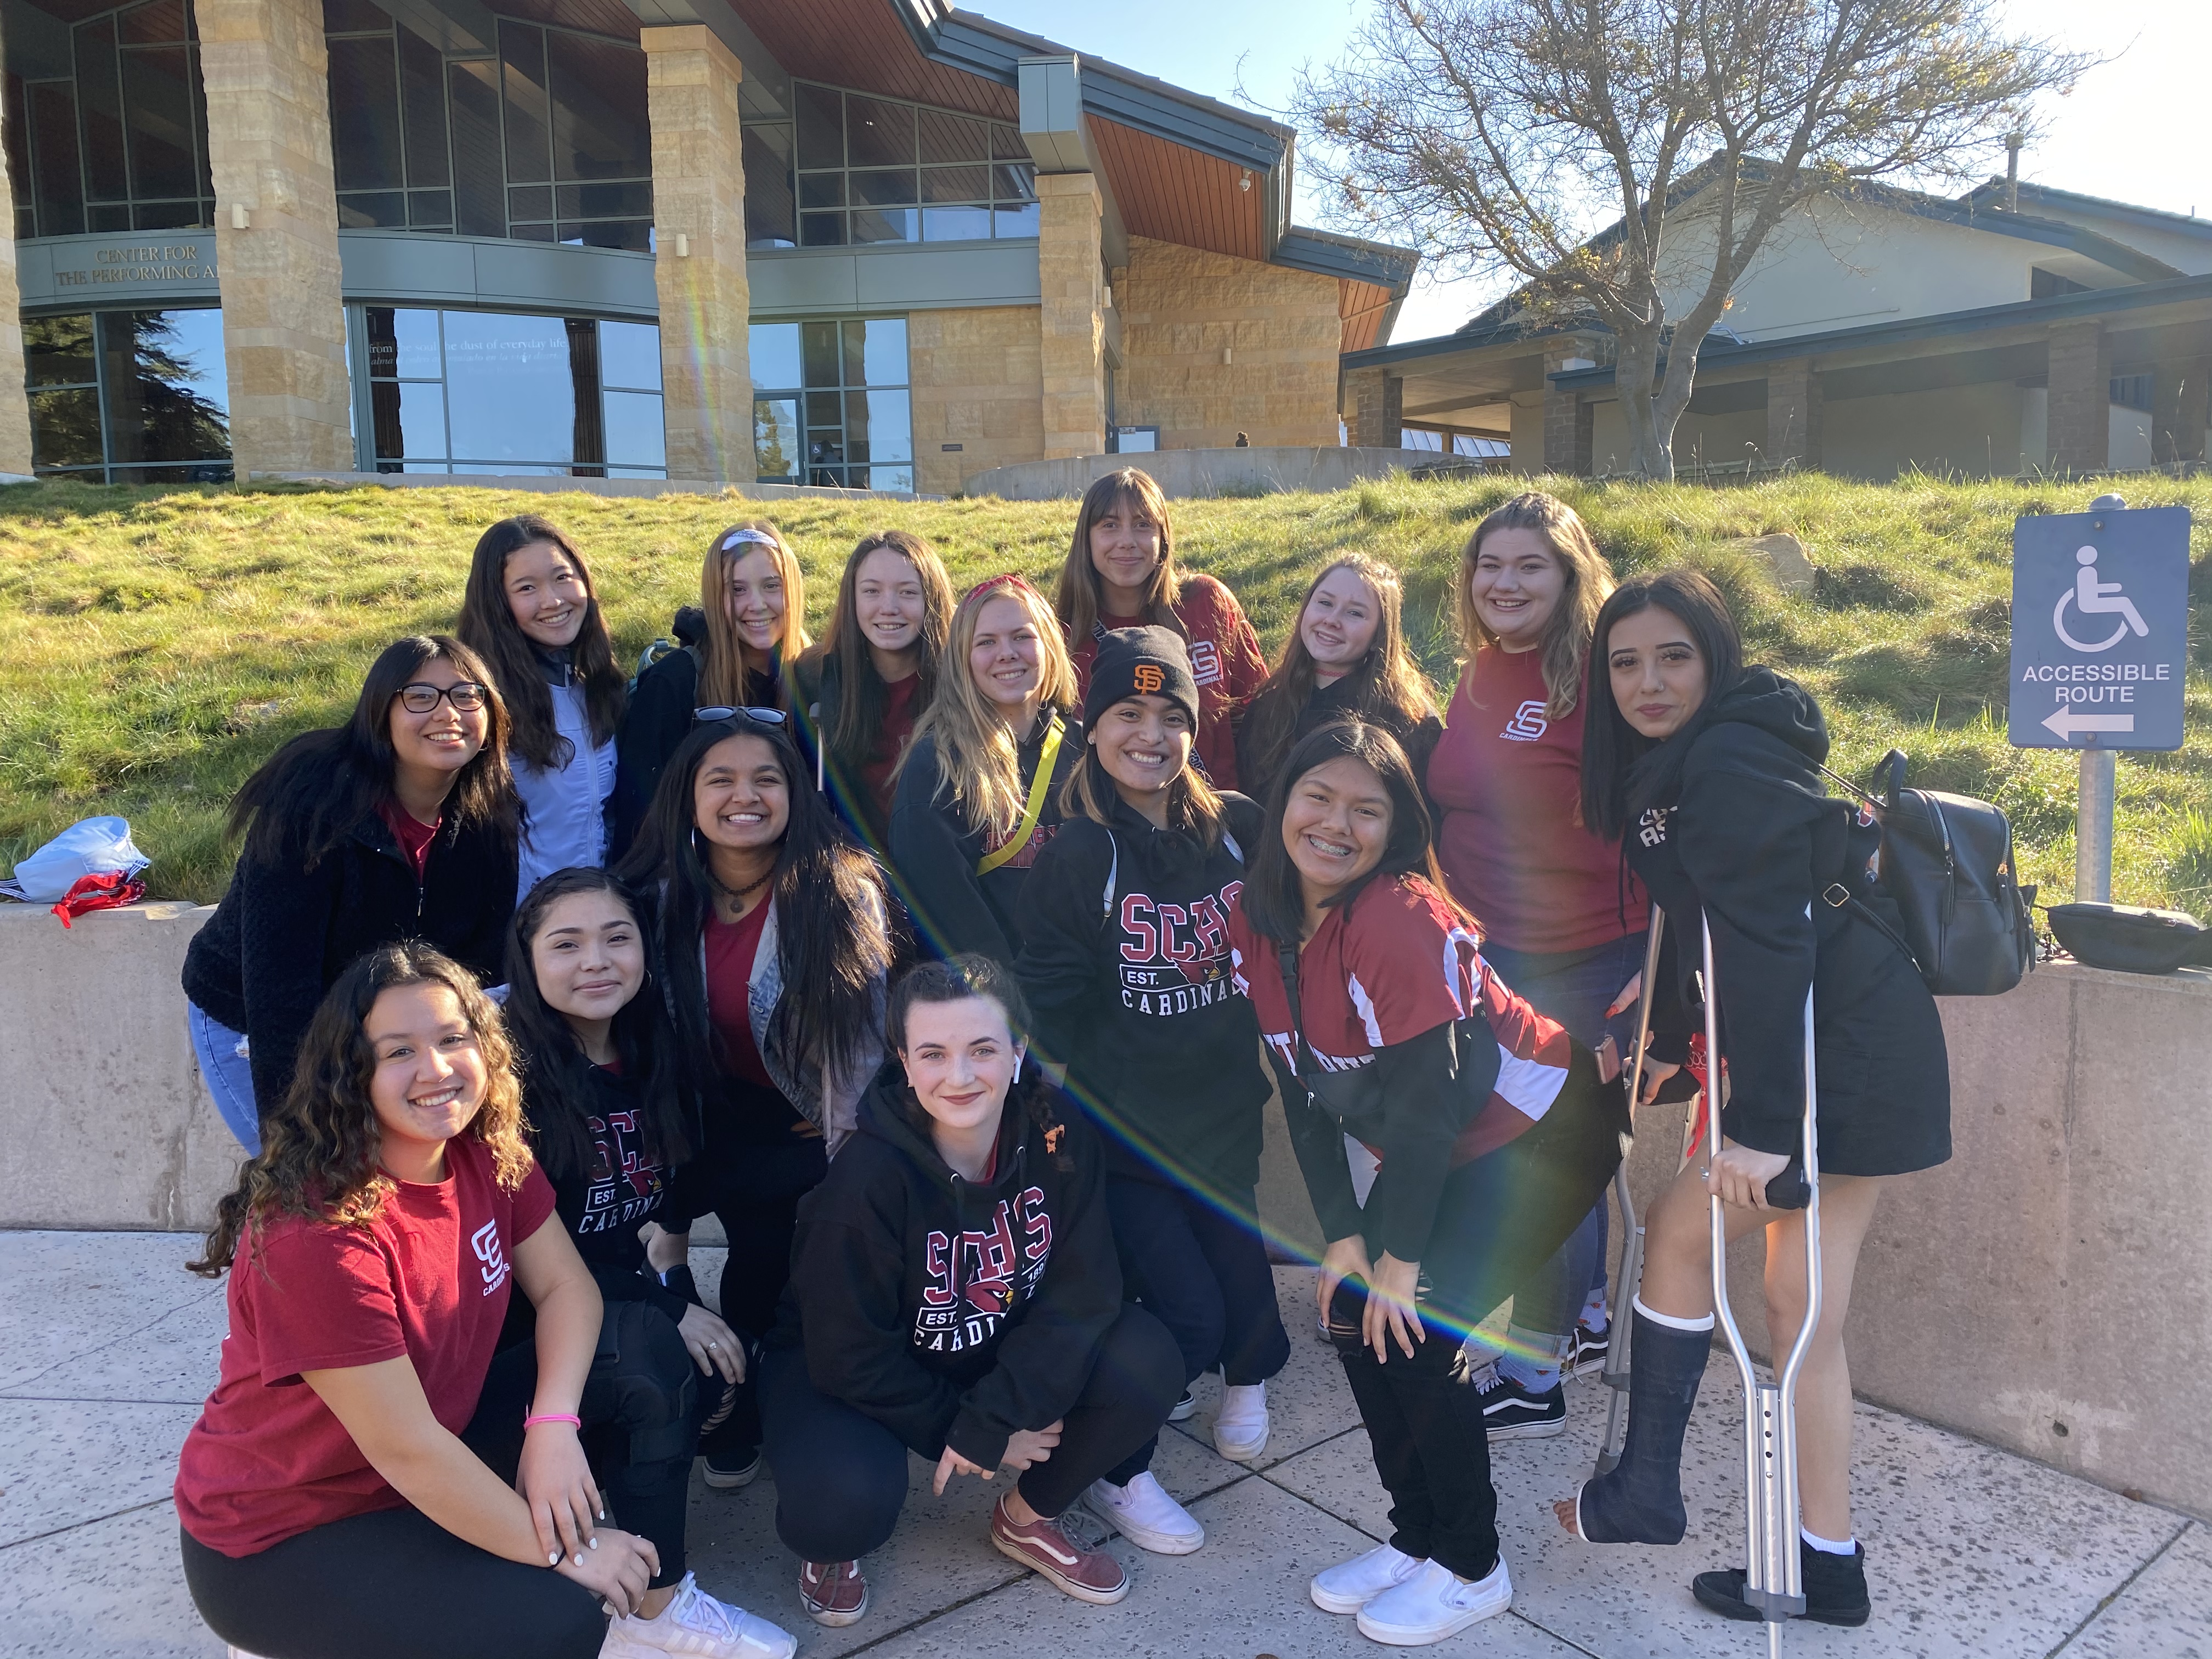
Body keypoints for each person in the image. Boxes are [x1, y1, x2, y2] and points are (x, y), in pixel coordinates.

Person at [173, 941, 797, 1659]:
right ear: (350, 1072)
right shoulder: (320, 1234)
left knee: (645, 1350)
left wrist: (553, 1427)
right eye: (399, 1051)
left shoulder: (485, 1151)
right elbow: (407, 1452)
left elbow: (568, 1288)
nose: (436, 1069)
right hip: (293, 1532)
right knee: (564, 1618)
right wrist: (567, 1551)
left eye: (451, 1039)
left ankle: (654, 1615)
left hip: (438, 1446)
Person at [1556, 569, 1950, 1630]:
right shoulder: (1698, 757)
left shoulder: (1725, 764)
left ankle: (1654, 1488)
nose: (1647, 681)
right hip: (1839, 1043)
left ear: (1714, 657)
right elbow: (1717, 925)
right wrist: (1670, 1036)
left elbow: (1771, 942)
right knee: (1789, 1303)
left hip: (1839, 1058)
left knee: (1708, 1248)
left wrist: (1766, 1131)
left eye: (1672, 657)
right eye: (1625, 662)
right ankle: (1824, 1563)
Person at [1226, 719, 1626, 1648]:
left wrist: (1400, 1260)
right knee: (1350, 1313)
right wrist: (1343, 1238)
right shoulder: (1258, 916)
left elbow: (1427, 1112)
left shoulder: (1398, 920)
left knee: (1412, 1329)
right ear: (1283, 801)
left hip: (1545, 1126)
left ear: (1397, 827)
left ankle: (1474, 1566)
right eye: (1318, 796)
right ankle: (1417, 1539)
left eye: (1366, 809)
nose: (1336, 824)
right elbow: (1301, 1087)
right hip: (1446, 1140)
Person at [758, 954, 1184, 1627]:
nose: (959, 1076)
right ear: (904, 1062)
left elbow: (1084, 1288)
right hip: (855, 1368)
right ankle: (830, 1550)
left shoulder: (1056, 1129)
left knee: (1147, 1357)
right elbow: (847, 1355)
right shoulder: (864, 1185)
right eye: (933, 1054)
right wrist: (962, 1430)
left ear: (1018, 1050)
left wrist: (997, 1414)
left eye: (983, 1049)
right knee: (839, 1506)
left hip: (985, 1337)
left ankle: (1027, 1517)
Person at [1015, 627, 1290, 1556]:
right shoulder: (1078, 854)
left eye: (1171, 714)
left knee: (1241, 1270)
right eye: (1127, 713)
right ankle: (1119, 1468)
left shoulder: (1239, 826)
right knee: (1184, 1311)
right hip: (1128, 1138)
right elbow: (1048, 1008)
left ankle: (1248, 1378)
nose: (1150, 734)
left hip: (1225, 1113)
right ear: (1092, 728)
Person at [620, 710, 893, 1492]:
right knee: (668, 1250)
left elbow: (860, 1050)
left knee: (770, 1271)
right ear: (689, 796)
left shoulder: (838, 893)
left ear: (795, 795)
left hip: (798, 1121)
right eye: (722, 780)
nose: (745, 796)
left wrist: (849, 1163)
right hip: (697, 1116)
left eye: (766, 779)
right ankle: (699, 1352)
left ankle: (761, 1399)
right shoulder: (656, 895)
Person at [1426, 491, 1647, 1437]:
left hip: (1584, 957)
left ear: (1569, 576)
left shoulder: (1603, 679)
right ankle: (1580, 1320)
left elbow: (1664, 818)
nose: (1504, 582)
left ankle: (1532, 1374)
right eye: (1490, 565)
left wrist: (1660, 960)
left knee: (1544, 1162)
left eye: (1529, 566)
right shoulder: (1480, 670)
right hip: (1492, 956)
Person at [181, 635, 518, 1154]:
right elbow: (279, 987)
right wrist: (294, 1143)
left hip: (384, 1034)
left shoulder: (487, 815)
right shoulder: (314, 804)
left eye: (467, 695)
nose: (448, 713)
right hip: (254, 1019)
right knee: (317, 1178)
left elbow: (479, 972)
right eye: (420, 697)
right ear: (380, 713)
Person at [890, 574, 1083, 963]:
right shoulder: (936, 765)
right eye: (986, 642)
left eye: (1022, 636)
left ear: (1049, 645)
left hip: (1093, 985)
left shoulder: (1087, 746)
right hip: (994, 989)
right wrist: (1012, 992)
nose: (1007, 653)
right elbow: (949, 916)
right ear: (963, 660)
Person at [1054, 467, 1266, 789]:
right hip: (1111, 815)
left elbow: (1262, 715)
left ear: (1163, 537)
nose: (1127, 542)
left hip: (1218, 810)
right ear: (1087, 539)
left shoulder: (1207, 603)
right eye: (1110, 525)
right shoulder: (1062, 636)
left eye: (1143, 525)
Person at [456, 515, 626, 902]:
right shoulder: (478, 700)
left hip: (594, 913)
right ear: (497, 603)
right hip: (515, 920)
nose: (553, 601)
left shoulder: (599, 688)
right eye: (527, 588)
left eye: (563, 577)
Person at [612, 522, 809, 856]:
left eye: (771, 586)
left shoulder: (814, 678)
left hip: (795, 877)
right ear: (715, 598)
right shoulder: (674, 682)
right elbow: (638, 822)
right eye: (737, 589)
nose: (757, 604)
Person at [790, 529, 954, 852]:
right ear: (852, 599)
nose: (889, 607)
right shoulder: (814, 677)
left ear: (931, 600)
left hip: (945, 865)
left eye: (908, 592)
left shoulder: (965, 681)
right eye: (871, 591)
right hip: (850, 868)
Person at [1235, 554, 1441, 801]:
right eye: (1325, 603)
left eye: (1355, 613)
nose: (1332, 620)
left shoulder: (1409, 720)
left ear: (1379, 635)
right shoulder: (1266, 709)